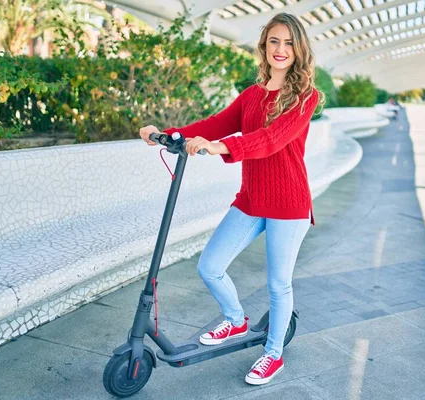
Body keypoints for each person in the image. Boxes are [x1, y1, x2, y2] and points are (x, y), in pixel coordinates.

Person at [139, 12, 324, 386]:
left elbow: (270, 140)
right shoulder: (252, 96)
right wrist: (169, 134)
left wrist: (221, 147)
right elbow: (213, 125)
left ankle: (273, 355)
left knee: (278, 284)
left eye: (288, 42)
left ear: (299, 48)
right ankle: (236, 319)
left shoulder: (306, 97)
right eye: (274, 41)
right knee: (210, 266)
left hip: (289, 205)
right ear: (264, 46)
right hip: (252, 199)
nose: (281, 49)